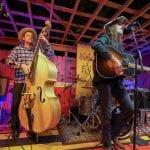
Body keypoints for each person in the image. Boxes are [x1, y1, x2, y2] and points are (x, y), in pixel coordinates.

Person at [91, 16, 134, 150]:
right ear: (111, 27)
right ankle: (107, 145)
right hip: (104, 81)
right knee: (107, 114)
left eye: (122, 25)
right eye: (119, 24)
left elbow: (121, 65)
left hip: (116, 81)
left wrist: (124, 69)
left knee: (129, 108)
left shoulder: (119, 45)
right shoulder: (106, 37)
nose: (122, 26)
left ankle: (113, 136)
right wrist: (112, 59)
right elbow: (95, 44)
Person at [6, 26, 55, 140]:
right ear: (23, 38)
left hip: (33, 84)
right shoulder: (17, 49)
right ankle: (15, 128)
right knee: (15, 106)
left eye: (32, 35)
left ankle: (31, 129)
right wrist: (21, 65)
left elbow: (51, 56)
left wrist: (46, 43)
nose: (31, 37)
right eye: (28, 35)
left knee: (31, 108)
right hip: (20, 82)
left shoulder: (37, 50)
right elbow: (9, 62)